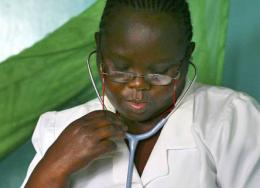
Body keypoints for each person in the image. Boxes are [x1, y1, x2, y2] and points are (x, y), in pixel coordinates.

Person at [21, 0, 260, 187]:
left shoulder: (229, 119)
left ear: (186, 57)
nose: (138, 85)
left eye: (159, 73)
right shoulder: (58, 129)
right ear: (101, 52)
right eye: (121, 70)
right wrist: (54, 167)